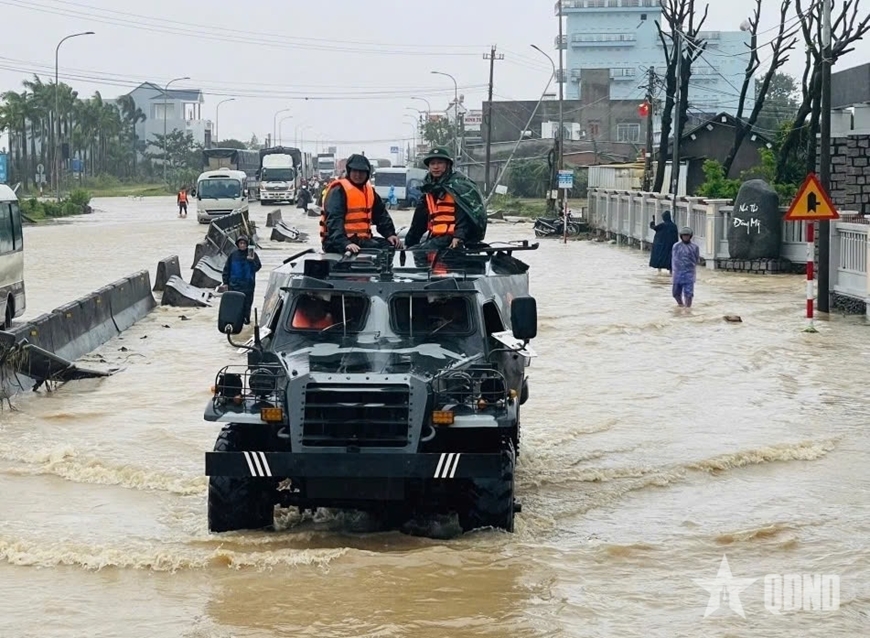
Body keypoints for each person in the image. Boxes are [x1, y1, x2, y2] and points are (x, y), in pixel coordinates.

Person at [404, 146, 487, 250]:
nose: (436, 167)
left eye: (439, 163)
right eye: (432, 164)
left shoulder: (458, 186)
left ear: (448, 165)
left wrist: (458, 236)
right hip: (437, 238)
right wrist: (408, 244)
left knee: (419, 251)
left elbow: (464, 215)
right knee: (414, 251)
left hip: (453, 239)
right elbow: (418, 223)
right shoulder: (429, 189)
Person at [320, 154, 401, 255]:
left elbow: (381, 216)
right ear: (349, 171)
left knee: (389, 245)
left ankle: (385, 269)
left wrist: (390, 234)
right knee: (376, 247)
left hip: (361, 240)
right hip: (336, 242)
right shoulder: (339, 190)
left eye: (362, 172)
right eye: (355, 171)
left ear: (367, 173)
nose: (358, 175)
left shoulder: (370, 191)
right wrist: (345, 243)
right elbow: (334, 220)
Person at [220, 235, 262, 324]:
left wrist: (252, 260)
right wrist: (226, 282)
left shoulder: (253, 255)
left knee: (247, 305)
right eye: (240, 243)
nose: (242, 245)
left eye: (244, 243)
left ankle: (246, 320)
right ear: (238, 244)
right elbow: (226, 269)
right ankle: (235, 321)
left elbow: (257, 267)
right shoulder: (233, 255)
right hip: (234, 285)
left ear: (247, 244)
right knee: (234, 305)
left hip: (248, 286)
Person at [671, 226, 700, 308]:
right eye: (684, 235)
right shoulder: (676, 246)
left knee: (689, 293)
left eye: (687, 235)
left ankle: (688, 308)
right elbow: (673, 258)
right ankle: (680, 304)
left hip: (689, 273)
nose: (685, 237)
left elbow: (696, 259)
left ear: (690, 236)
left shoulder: (694, 247)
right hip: (677, 273)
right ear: (681, 236)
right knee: (675, 293)